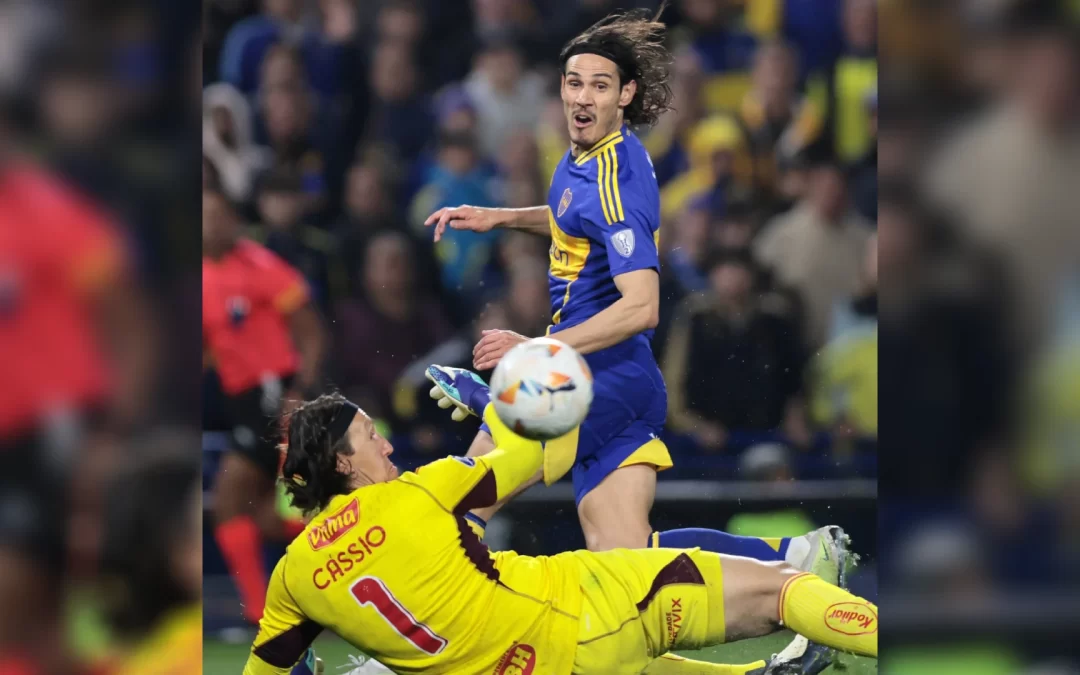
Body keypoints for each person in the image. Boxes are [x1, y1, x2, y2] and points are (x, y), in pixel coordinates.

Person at [423, 1, 842, 586]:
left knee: (456, 511)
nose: (582, 98)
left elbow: (642, 306)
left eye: (599, 85)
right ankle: (797, 557)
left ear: (625, 95)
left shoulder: (617, 175)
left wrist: (537, 351)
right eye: (574, 83)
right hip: (617, 379)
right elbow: (577, 218)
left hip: (595, 381)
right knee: (627, 562)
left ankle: (398, 655)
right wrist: (501, 217)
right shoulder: (582, 159)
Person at [243, 393, 877, 674]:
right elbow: (551, 445)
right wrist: (499, 401)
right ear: (343, 464)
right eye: (368, 435)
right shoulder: (418, 492)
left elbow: (264, 670)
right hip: (585, 609)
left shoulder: (294, 578)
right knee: (781, 591)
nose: (384, 440)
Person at [203, 184, 328, 625]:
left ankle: (259, 614)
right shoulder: (201, 274)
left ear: (235, 220)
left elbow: (310, 330)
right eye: (203, 216)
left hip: (272, 391)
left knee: (228, 502)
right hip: (239, 397)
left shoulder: (259, 265)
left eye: (218, 215)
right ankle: (344, 535)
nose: (211, 224)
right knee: (265, 518)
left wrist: (299, 391)